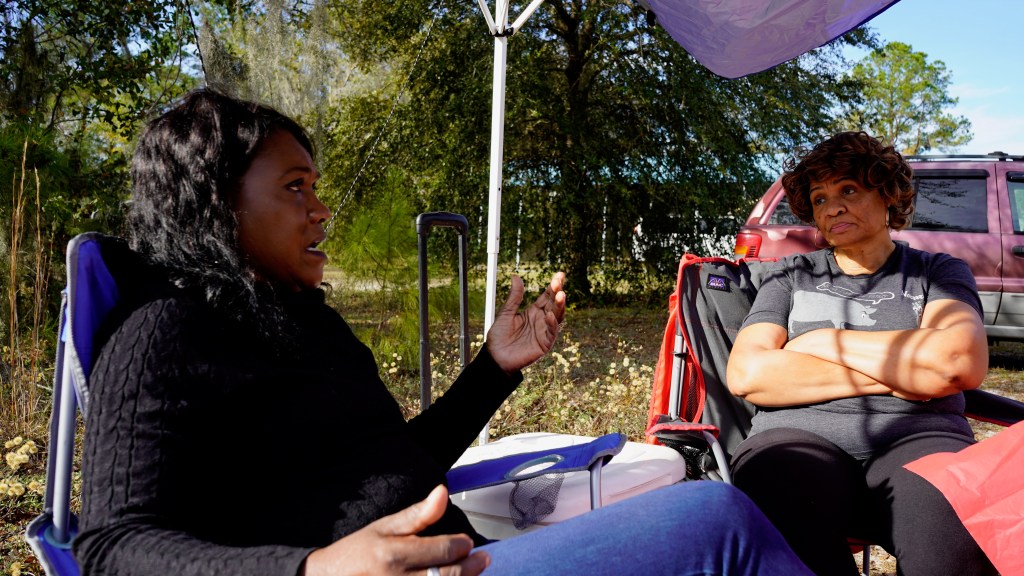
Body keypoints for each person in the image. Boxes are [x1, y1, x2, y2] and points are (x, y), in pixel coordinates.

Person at [74, 88, 813, 576]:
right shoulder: (161, 334)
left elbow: (397, 460)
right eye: (295, 188)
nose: (321, 209)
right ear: (214, 206)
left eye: (316, 186)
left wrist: (493, 367)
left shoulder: (305, 322)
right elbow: (109, 546)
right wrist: (314, 568)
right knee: (716, 517)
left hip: (460, 551)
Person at [726, 131, 996, 575]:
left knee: (950, 523)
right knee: (777, 493)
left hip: (918, 437)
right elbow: (749, 373)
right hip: (796, 438)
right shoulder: (789, 276)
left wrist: (820, 342)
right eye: (819, 198)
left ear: (887, 195)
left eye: (848, 190)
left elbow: (955, 363)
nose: (832, 208)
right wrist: (908, 373)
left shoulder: (937, 272)